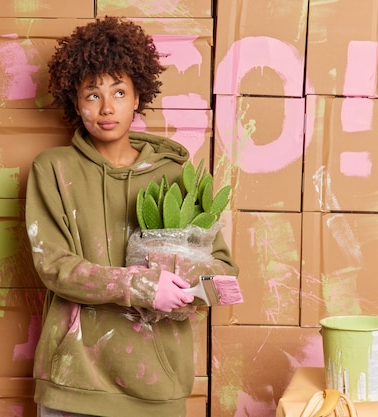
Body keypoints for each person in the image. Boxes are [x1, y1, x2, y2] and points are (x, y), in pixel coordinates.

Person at [25, 16, 239, 417]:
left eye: (119, 92)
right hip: (74, 380)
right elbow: (53, 266)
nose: (107, 108)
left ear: (138, 96)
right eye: (92, 94)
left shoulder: (177, 173)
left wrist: (172, 279)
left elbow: (222, 274)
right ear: (75, 101)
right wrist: (140, 286)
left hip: (158, 384)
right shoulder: (53, 169)